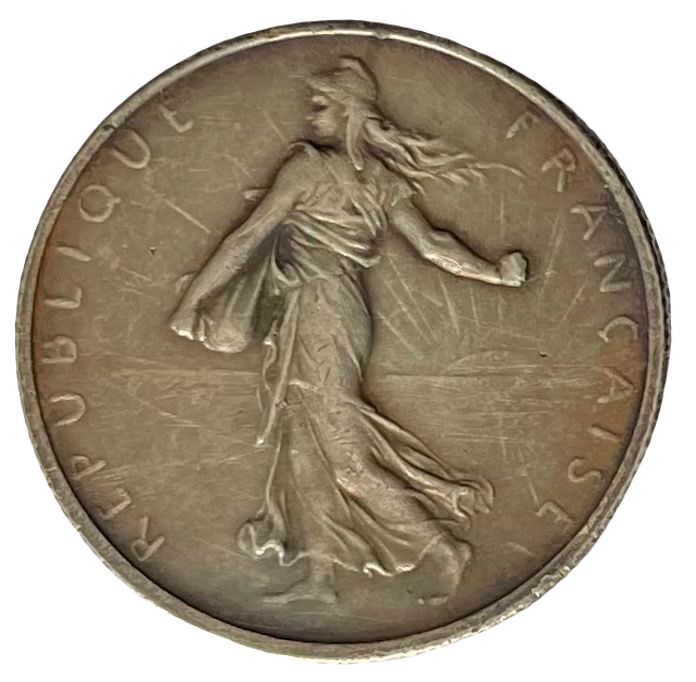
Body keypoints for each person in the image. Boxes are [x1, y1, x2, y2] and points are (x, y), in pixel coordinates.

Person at [168, 57, 527, 604]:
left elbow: (246, 238)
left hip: (320, 310)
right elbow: (432, 245)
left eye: (322, 105)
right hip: (329, 308)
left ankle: (442, 547)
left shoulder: (307, 169)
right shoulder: (382, 180)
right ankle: (321, 577)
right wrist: (494, 273)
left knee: (346, 458)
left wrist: (191, 303)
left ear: (351, 112)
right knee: (302, 445)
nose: (311, 115)